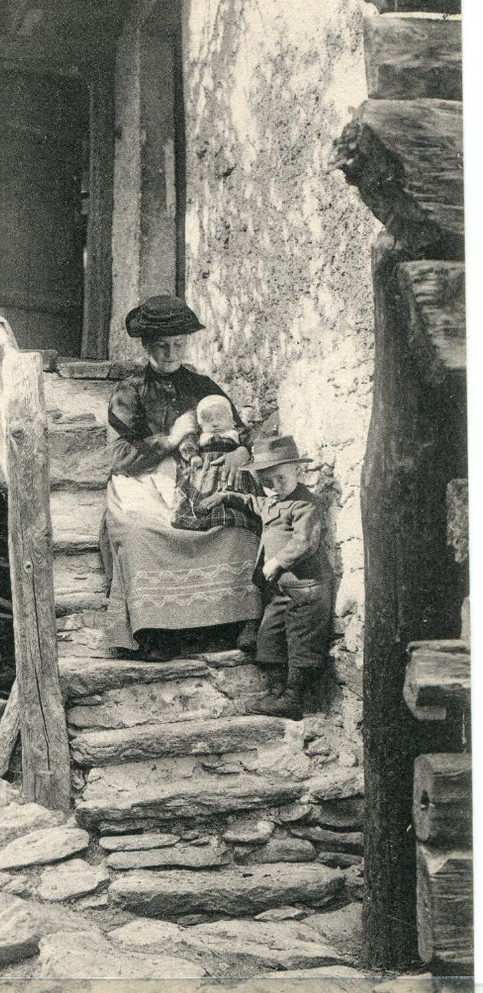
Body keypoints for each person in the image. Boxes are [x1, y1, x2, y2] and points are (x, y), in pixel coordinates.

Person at [101, 294, 262, 661]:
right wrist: (170, 439)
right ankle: (158, 631)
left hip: (198, 478)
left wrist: (241, 451)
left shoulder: (203, 386)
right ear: (146, 346)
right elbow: (120, 457)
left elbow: (242, 431)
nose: (171, 353)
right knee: (143, 532)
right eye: (161, 346)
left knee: (238, 527)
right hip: (144, 477)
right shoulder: (130, 391)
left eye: (178, 345)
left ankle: (235, 622)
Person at [199, 434, 334, 719]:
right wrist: (224, 496)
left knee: (301, 642)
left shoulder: (304, 506)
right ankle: (276, 692)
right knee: (269, 636)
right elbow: (251, 502)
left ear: (297, 471)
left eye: (281, 479)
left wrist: (278, 561)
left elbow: (305, 542)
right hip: (281, 591)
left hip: (306, 589)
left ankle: (294, 699)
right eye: (266, 482)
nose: (273, 488)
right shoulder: (272, 502)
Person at [172, 394, 262, 532]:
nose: (215, 424)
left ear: (232, 421)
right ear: (200, 425)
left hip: (232, 472)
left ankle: (235, 521)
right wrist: (193, 457)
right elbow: (186, 445)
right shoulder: (199, 438)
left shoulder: (237, 434)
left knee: (235, 498)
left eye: (220, 417)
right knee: (202, 500)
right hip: (205, 472)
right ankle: (201, 524)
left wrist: (244, 449)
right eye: (208, 420)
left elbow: (254, 440)